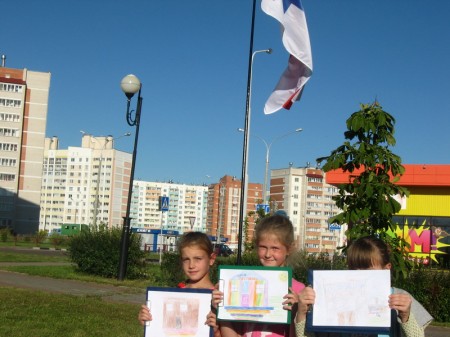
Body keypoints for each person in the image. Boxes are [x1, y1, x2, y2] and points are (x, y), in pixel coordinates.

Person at [295, 236, 433, 337]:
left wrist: (406, 317)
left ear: (386, 269)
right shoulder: (334, 298)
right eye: (354, 269)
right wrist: (301, 313)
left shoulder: (400, 298)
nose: (360, 275)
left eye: (368, 269)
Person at [211, 213, 305, 337]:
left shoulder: (298, 291)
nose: (267, 254)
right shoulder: (245, 284)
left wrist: (296, 312)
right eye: (263, 247)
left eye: (275, 248)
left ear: (289, 249)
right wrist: (222, 311)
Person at [138, 231, 220, 336]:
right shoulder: (176, 293)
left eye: (198, 259)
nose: (191, 265)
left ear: (211, 259)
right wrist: (147, 320)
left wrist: (216, 331)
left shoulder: (218, 298)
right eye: (186, 259)